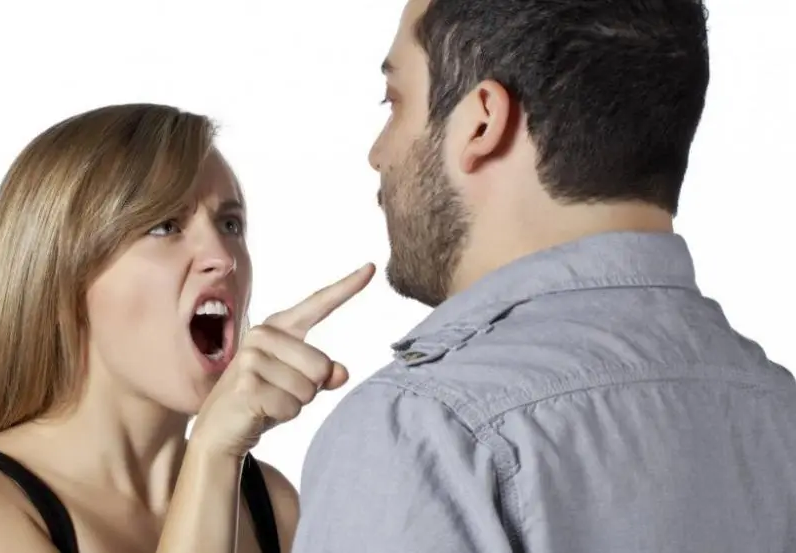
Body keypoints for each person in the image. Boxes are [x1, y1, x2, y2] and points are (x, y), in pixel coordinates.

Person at [292, 0, 796, 552]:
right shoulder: (780, 409)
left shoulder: (423, 431)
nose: (378, 153)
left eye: (394, 101)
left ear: (482, 121)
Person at [0, 103, 375, 553]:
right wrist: (214, 454)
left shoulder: (270, 504)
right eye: (165, 226)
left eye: (230, 224)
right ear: (64, 275)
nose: (223, 257)